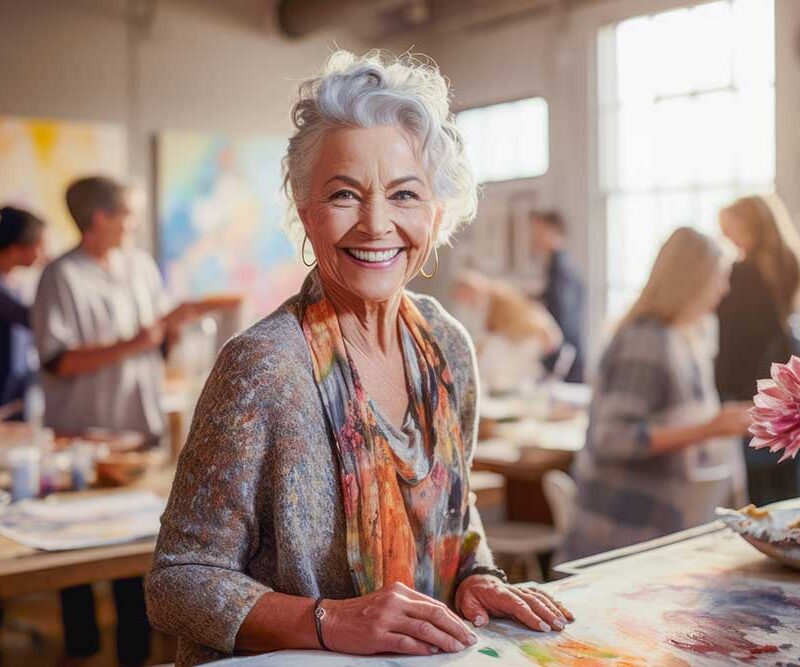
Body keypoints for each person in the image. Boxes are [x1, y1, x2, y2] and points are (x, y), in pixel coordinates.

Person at [146, 51, 574, 666]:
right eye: (345, 194)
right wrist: (332, 621)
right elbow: (177, 583)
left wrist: (475, 579)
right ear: (304, 206)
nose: (376, 224)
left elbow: (455, 512)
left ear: (438, 212)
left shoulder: (447, 344)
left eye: (405, 194)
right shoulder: (263, 367)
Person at [32, 176, 201, 665]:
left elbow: (153, 338)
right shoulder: (60, 276)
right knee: (76, 558)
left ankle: (134, 656)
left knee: (136, 554)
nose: (135, 223)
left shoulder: (141, 266)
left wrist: (171, 332)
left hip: (138, 431)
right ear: (100, 219)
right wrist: (138, 342)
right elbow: (58, 360)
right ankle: (81, 654)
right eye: (128, 213)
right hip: (82, 439)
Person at [561, 228, 751, 562]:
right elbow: (613, 438)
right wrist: (711, 428)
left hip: (657, 532)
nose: (725, 290)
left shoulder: (687, 338)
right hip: (623, 537)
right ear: (692, 279)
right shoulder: (646, 340)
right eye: (718, 278)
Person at [716, 194, 800, 504]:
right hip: (784, 382)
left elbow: (731, 338)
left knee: (756, 482)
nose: (727, 236)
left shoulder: (741, 273)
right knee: (785, 469)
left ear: (750, 225)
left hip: (744, 383)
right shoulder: (789, 261)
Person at [529, 210, 585, 383]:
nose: (534, 237)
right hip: (566, 354)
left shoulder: (560, 268)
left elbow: (563, 316)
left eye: (540, 232)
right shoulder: (558, 265)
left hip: (565, 358)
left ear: (554, 231)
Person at [0, 206, 45, 421]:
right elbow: (32, 319)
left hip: (16, 392)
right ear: (17, 247)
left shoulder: (13, 284)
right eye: (39, 244)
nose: (43, 252)